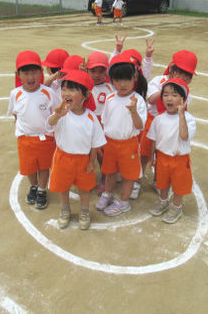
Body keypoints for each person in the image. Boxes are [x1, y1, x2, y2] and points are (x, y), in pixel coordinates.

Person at [47, 70, 106, 230]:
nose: (66, 93)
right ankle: (65, 210)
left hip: (83, 160)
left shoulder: (91, 117)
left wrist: (92, 161)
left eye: (72, 89)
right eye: (64, 89)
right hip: (62, 158)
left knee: (85, 189)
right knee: (63, 187)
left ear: (85, 95)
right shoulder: (61, 114)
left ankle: (84, 212)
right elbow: (49, 124)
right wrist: (57, 115)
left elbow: (95, 143)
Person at [7, 50, 61, 209]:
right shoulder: (15, 94)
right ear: (18, 74)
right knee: (29, 168)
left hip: (45, 138)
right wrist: (20, 131)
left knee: (44, 167)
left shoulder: (48, 92)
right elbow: (15, 115)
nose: (31, 77)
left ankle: (42, 189)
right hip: (25, 138)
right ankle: (34, 186)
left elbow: (56, 113)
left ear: (41, 72)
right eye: (26, 73)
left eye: (35, 72)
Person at [96, 54, 147, 217]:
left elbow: (140, 126)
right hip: (110, 143)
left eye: (127, 79)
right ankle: (107, 193)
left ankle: (124, 202)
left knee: (129, 175)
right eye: (118, 80)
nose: (122, 84)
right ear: (112, 80)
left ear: (135, 78)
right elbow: (104, 122)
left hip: (128, 144)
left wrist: (133, 111)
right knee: (110, 171)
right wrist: (102, 141)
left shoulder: (138, 100)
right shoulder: (110, 98)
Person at [147, 78, 196, 224]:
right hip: (162, 157)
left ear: (183, 99)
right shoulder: (159, 119)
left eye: (174, 95)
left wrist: (181, 115)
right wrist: (152, 157)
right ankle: (163, 201)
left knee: (179, 185)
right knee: (162, 182)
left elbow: (183, 135)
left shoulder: (188, 118)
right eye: (166, 94)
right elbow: (153, 139)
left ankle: (176, 206)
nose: (169, 98)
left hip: (179, 159)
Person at [86, 51, 113, 195]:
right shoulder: (83, 85)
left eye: (101, 71)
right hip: (86, 125)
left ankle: (105, 177)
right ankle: (86, 178)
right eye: (92, 70)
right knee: (86, 153)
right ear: (86, 69)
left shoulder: (110, 88)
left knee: (102, 154)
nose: (96, 75)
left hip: (103, 126)